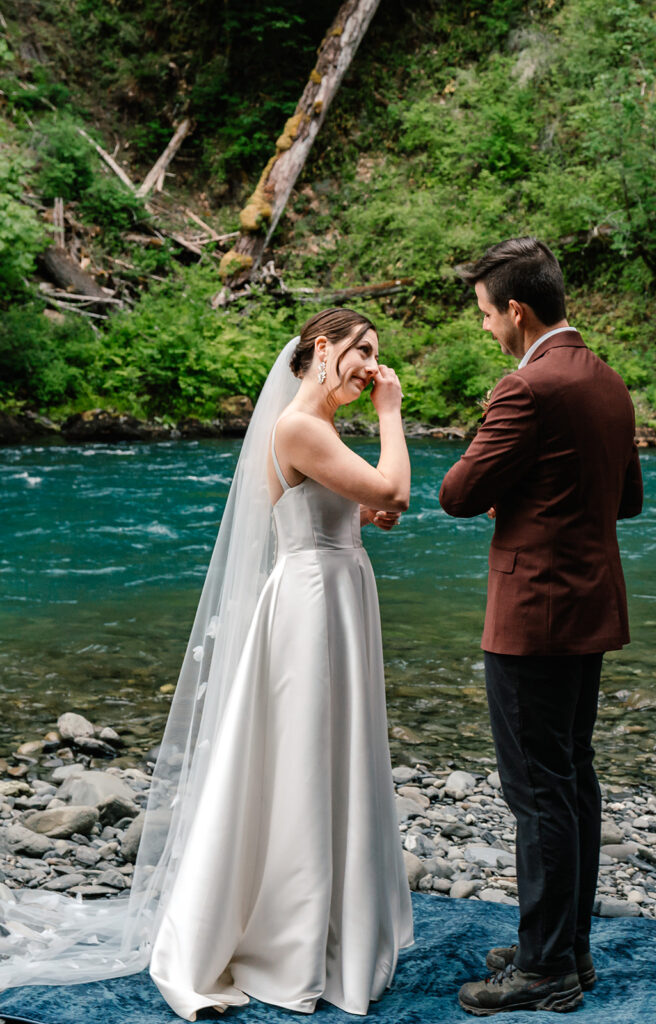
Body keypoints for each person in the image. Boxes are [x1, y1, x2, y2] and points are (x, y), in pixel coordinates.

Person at [0, 308, 414, 1020]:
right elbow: (394, 491)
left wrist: (363, 512)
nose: (372, 366)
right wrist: (391, 413)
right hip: (311, 607)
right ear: (322, 349)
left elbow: (359, 507)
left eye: (377, 356)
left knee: (333, 752)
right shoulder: (298, 426)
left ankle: (331, 920)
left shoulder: (317, 429)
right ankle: (290, 934)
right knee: (305, 758)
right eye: (361, 350)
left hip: (338, 596)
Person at [439, 238, 643, 1016]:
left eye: (487, 316)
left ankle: (544, 969)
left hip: (532, 614)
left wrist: (508, 494)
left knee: (536, 793)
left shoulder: (525, 389)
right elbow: (625, 502)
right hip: (590, 605)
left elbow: (458, 492)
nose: (487, 329)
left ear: (517, 311)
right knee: (570, 778)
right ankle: (566, 948)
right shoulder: (606, 381)